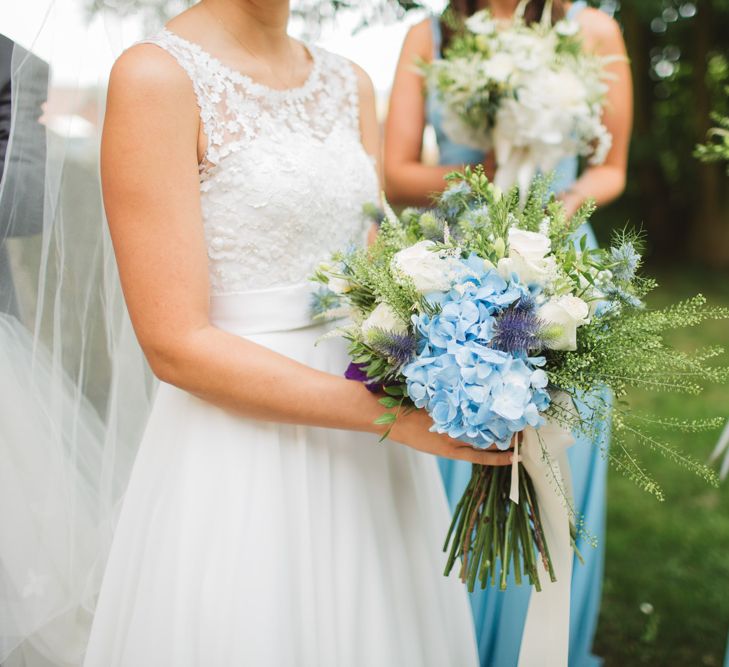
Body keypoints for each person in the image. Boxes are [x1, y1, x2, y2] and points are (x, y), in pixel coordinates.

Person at [79, 0, 519, 664]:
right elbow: (174, 341)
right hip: (238, 442)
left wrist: (471, 361)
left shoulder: (349, 82)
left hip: (370, 440)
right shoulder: (157, 77)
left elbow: (375, 280)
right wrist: (390, 417)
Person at [384, 1, 633, 665]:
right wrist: (486, 179)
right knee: (454, 445)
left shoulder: (594, 30)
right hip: (462, 259)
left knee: (557, 456)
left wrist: (561, 202)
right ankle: (446, 640)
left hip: (562, 259)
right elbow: (396, 171)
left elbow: (610, 166)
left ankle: (538, 642)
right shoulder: (427, 33)